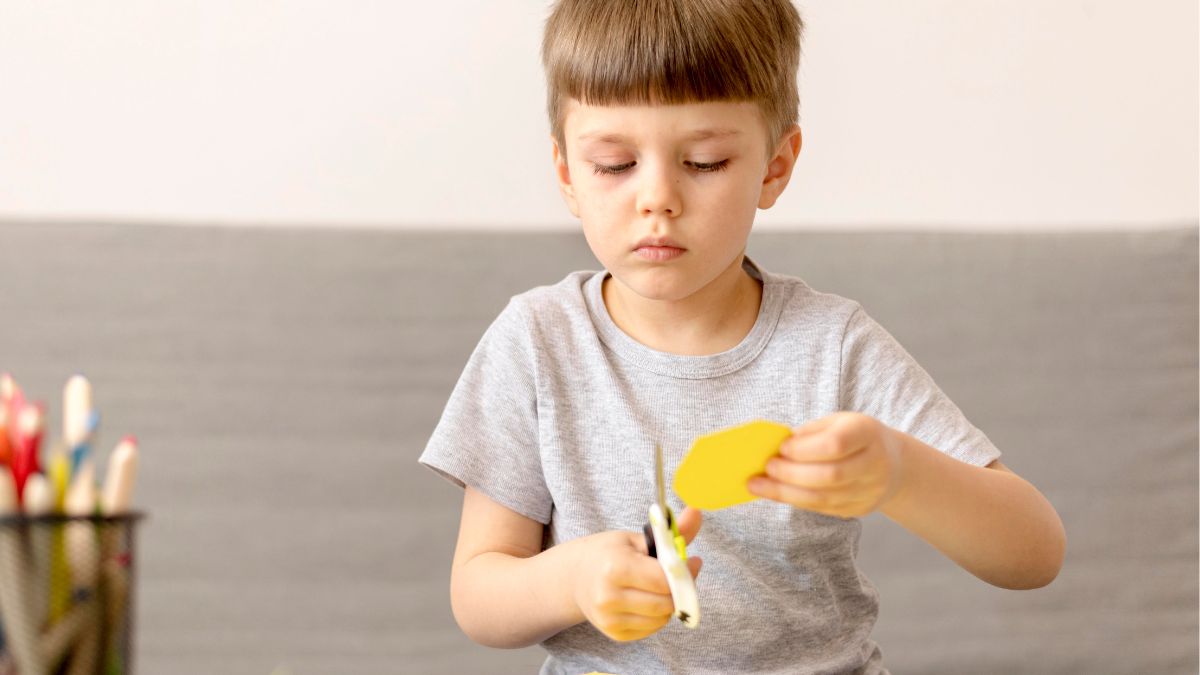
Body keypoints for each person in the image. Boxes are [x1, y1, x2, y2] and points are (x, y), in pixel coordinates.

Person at [419, 1, 1066, 672]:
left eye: (703, 162)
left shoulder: (832, 347)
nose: (657, 198)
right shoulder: (536, 341)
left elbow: (1034, 552)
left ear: (774, 167)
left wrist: (901, 472)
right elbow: (479, 593)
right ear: (567, 176)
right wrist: (574, 579)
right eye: (614, 164)